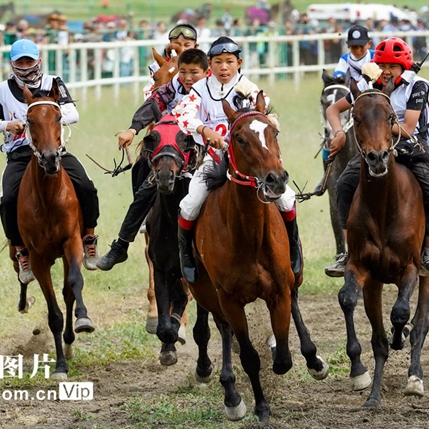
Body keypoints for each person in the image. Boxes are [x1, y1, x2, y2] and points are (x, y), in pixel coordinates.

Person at [171, 36, 303, 282]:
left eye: (229, 62)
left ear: (238, 63)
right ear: (209, 64)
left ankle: (293, 246)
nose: (224, 67)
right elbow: (183, 116)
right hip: (214, 157)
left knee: (286, 198)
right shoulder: (199, 89)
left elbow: (267, 119)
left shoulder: (250, 89)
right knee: (190, 203)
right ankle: (186, 254)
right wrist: (205, 131)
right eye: (218, 62)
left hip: (249, 159)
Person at [324, 37, 429, 280]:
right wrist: (339, 132)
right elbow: (333, 109)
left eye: (392, 66)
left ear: (404, 66)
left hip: (411, 145)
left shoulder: (418, 86)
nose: (386, 71)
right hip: (375, 146)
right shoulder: (367, 85)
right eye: (382, 66)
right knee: (343, 185)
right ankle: (348, 253)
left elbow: (409, 128)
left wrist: (376, 123)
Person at [0, 39, 101, 282]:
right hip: (20, 154)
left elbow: (72, 113)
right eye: (20, 61)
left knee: (86, 186)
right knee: (8, 199)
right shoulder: (1, 91)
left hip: (54, 151)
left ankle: (89, 237)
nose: (26, 65)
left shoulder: (53, 82)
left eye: (29, 60)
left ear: (39, 60)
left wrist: (46, 119)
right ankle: (21, 250)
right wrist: (8, 124)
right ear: (12, 63)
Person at [97, 48, 210, 269]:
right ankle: (121, 245)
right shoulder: (174, 86)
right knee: (147, 188)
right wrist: (133, 129)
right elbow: (153, 104)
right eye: (183, 72)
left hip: (209, 153)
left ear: (206, 72)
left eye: (193, 72)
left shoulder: (215, 88)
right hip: (177, 153)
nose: (187, 78)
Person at [143, 23, 199, 98]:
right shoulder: (159, 67)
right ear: (170, 46)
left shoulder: (203, 67)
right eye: (177, 44)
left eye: (187, 45)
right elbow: (149, 94)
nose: (182, 49)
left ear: (196, 47)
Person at [333, 24, 373, 91]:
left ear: (369, 44)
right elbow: (338, 76)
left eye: (361, 46)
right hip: (351, 94)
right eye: (354, 46)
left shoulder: (374, 56)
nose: (358, 50)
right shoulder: (345, 59)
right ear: (347, 44)